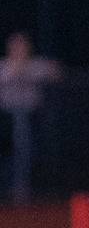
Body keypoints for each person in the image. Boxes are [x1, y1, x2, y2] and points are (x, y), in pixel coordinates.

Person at [0, 30, 62, 204]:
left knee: (26, 150)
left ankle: (21, 188)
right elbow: (10, 74)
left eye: (23, 46)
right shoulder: (3, 65)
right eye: (16, 46)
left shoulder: (35, 65)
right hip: (5, 118)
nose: (19, 49)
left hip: (31, 117)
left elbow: (56, 72)